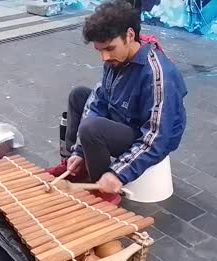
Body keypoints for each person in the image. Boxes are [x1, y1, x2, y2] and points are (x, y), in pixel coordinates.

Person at [46, 0, 188, 205]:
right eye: (100, 50)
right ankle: (76, 165)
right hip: (124, 118)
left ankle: (104, 194)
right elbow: (98, 101)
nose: (105, 57)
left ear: (130, 35)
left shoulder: (158, 74)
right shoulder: (116, 60)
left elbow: (156, 137)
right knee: (79, 96)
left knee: (91, 128)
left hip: (149, 135)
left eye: (110, 48)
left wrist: (117, 174)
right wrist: (78, 151)